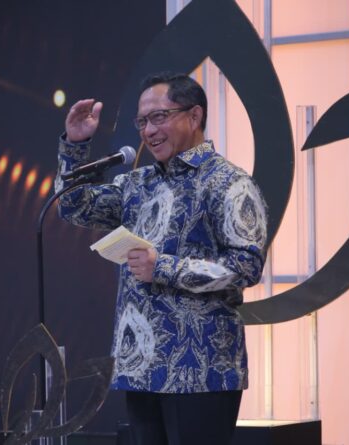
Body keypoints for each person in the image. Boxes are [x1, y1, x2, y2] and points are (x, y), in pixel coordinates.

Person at [54, 72, 268, 445]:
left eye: (159, 117)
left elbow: (246, 265)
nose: (149, 131)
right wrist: (75, 145)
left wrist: (163, 268)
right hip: (141, 368)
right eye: (142, 122)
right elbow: (74, 207)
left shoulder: (229, 183)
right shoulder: (137, 184)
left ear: (194, 116)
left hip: (201, 370)